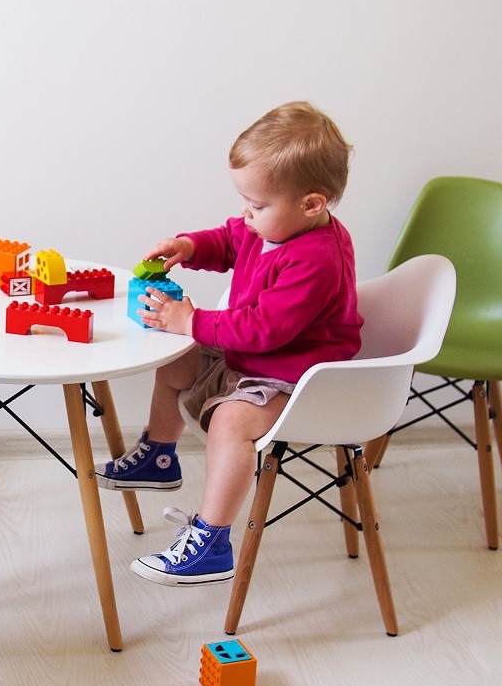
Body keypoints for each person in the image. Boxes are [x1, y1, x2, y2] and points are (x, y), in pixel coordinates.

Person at [96, 101, 362, 585]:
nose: (246, 213)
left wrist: (192, 320)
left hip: (297, 375)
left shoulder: (316, 258)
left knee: (231, 423)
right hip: (254, 354)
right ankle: (159, 454)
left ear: (312, 204)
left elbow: (265, 327)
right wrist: (191, 247)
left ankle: (212, 542)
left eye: (257, 205)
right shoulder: (273, 227)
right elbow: (232, 239)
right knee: (176, 362)